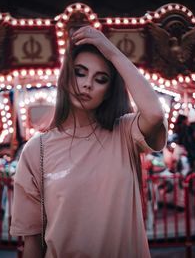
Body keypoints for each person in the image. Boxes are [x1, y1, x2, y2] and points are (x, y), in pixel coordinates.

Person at [10, 25, 167, 258]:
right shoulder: (37, 149)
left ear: (110, 90)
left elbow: (154, 113)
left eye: (100, 79)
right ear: (66, 76)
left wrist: (111, 51)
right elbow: (32, 243)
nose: (87, 84)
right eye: (80, 72)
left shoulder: (124, 133)